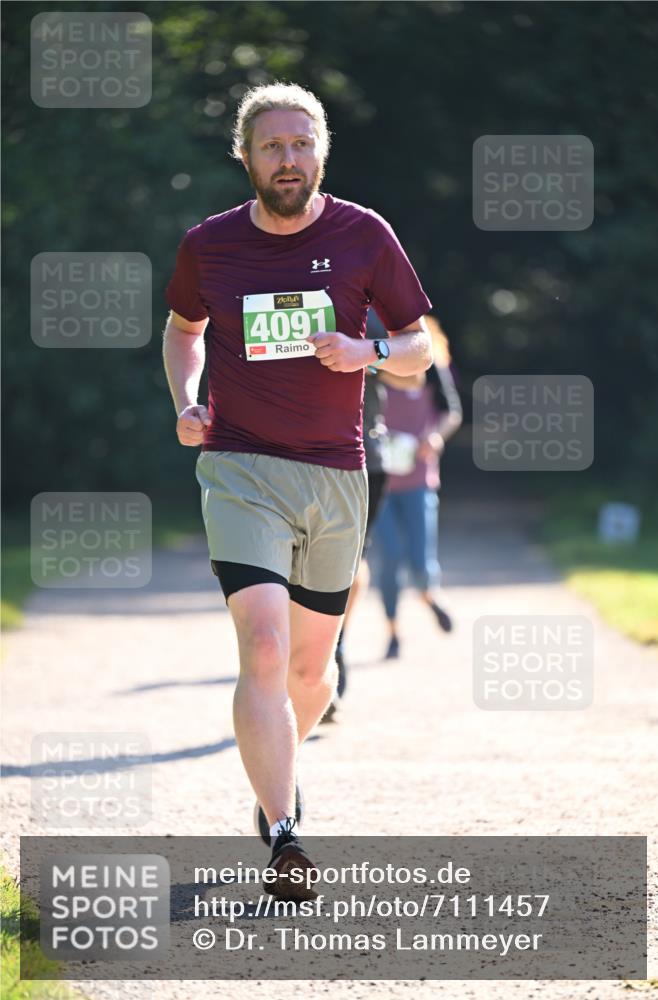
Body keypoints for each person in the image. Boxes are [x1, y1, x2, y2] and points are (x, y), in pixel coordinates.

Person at [162, 82, 433, 899]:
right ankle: (283, 833)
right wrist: (185, 402)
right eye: (273, 146)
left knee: (313, 676)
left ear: (322, 151)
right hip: (240, 466)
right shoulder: (208, 245)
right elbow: (183, 332)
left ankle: (272, 773)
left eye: (301, 144)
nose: (289, 159)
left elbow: (417, 346)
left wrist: (369, 350)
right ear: (243, 155)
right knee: (266, 648)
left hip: (335, 474)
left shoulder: (363, 234)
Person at [372, 317, 462, 659]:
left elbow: (451, 412)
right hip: (380, 482)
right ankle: (393, 632)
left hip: (419, 481)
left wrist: (435, 437)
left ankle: (430, 594)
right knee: (390, 560)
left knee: (421, 562)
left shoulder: (434, 371)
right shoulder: (373, 368)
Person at [321, 309, 390, 723]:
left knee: (349, 558)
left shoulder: (374, 306)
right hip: (289, 457)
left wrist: (367, 352)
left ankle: (337, 642)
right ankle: (309, 663)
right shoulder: (272, 288)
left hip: (363, 456)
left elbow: (416, 366)